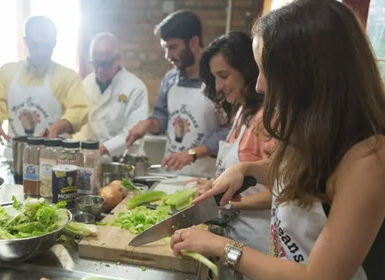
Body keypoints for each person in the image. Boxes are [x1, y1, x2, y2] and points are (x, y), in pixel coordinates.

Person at [170, 1, 385, 280]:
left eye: (266, 70)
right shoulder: (317, 131)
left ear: (306, 73)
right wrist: (246, 170)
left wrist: (222, 246)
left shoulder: (370, 159)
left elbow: (316, 276)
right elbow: (298, 178)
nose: (259, 85)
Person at [197, 31, 274, 280]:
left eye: (223, 76)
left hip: (258, 241)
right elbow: (241, 176)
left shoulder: (267, 119)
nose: (218, 86)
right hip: (235, 237)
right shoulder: (241, 112)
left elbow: (279, 193)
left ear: (248, 71)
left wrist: (227, 201)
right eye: (215, 77)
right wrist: (217, 186)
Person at [126, 10, 229, 178]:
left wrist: (192, 154)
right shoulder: (170, 78)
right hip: (170, 175)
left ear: (194, 42)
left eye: (173, 47)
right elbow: (162, 119)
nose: (168, 55)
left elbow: (228, 132)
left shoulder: (215, 80)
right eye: (165, 48)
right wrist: (148, 124)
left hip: (205, 178)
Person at [0, 16, 88, 145]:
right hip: (16, 155)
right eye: (35, 45)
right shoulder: (8, 72)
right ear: (26, 41)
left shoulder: (67, 77)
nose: (41, 51)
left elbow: (79, 110)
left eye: (46, 45)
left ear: (54, 43)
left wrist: (59, 127)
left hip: (55, 156)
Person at [77, 33, 149, 157]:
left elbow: (134, 133)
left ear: (118, 59)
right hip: (92, 158)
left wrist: (103, 149)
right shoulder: (87, 83)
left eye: (105, 64)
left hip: (125, 159)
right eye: (95, 63)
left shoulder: (135, 87)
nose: (99, 70)